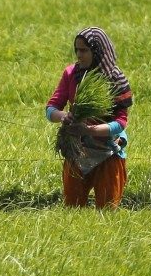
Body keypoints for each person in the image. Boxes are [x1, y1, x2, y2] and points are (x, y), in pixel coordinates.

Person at [45, 27, 134, 208]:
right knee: (73, 208)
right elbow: (51, 108)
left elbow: (121, 123)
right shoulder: (71, 74)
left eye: (84, 50)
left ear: (97, 51)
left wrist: (89, 130)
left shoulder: (115, 79)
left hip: (109, 151)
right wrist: (63, 116)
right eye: (77, 49)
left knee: (108, 210)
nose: (79, 54)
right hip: (78, 150)